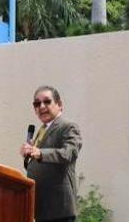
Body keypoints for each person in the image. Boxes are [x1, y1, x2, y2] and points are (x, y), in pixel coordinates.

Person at [20, 86, 82, 222]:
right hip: (42, 208)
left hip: (59, 209)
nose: (41, 106)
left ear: (59, 105)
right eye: (37, 103)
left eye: (47, 101)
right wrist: (28, 155)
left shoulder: (68, 126)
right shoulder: (42, 130)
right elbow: (42, 166)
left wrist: (40, 153)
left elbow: (69, 153)